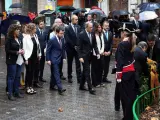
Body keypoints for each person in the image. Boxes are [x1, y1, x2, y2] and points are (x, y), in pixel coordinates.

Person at [115, 23, 137, 120]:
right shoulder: (132, 42)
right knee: (130, 95)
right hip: (131, 72)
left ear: (124, 33)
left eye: (121, 32)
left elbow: (120, 61)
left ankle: (127, 117)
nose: (120, 34)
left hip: (123, 74)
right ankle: (130, 116)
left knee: (125, 98)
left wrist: (118, 76)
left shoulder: (122, 44)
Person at [79, 22, 100, 95]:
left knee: (85, 70)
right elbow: (79, 47)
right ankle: (90, 88)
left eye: (92, 27)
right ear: (86, 27)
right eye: (90, 27)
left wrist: (97, 53)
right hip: (84, 56)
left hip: (90, 55)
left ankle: (81, 86)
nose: (92, 29)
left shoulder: (92, 33)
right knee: (87, 71)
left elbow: (94, 44)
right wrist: (80, 57)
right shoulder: (82, 34)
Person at [5, 24, 24, 100]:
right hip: (11, 60)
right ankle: (10, 93)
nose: (19, 31)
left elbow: (20, 47)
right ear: (13, 31)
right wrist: (17, 52)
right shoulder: (9, 39)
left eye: (19, 29)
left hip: (19, 60)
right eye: (17, 29)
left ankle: (16, 92)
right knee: (11, 77)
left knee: (17, 76)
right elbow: (7, 50)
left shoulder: (19, 38)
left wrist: (22, 50)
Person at [46, 26, 66, 95]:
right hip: (53, 59)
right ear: (57, 33)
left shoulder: (62, 39)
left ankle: (52, 86)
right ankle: (60, 88)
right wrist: (48, 59)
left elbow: (63, 49)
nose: (62, 35)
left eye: (63, 33)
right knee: (57, 74)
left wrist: (64, 57)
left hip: (60, 59)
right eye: (61, 33)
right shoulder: (52, 39)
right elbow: (48, 50)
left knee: (54, 74)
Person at [23, 23, 41, 95]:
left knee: (33, 72)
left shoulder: (35, 36)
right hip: (28, 57)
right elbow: (24, 48)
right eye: (35, 29)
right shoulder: (26, 37)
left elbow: (38, 46)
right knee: (28, 72)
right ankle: (27, 87)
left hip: (34, 57)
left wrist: (39, 54)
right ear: (31, 29)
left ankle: (31, 86)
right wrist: (25, 59)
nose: (36, 30)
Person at [65, 15, 82, 83]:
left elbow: (80, 37)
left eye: (77, 19)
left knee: (78, 63)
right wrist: (73, 46)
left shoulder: (79, 27)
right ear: (72, 20)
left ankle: (79, 78)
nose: (77, 20)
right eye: (76, 19)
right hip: (70, 48)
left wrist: (78, 45)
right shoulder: (67, 28)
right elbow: (67, 39)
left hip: (78, 48)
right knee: (70, 63)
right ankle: (69, 76)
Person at [91, 23, 105, 87]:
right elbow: (94, 45)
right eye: (98, 27)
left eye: (100, 27)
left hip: (101, 53)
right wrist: (98, 52)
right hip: (95, 54)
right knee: (95, 68)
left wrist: (102, 51)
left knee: (101, 68)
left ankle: (100, 81)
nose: (100, 28)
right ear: (96, 28)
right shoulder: (93, 34)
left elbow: (103, 43)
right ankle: (95, 82)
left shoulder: (101, 34)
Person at [36, 20, 47, 85]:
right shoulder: (36, 32)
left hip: (43, 50)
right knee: (38, 65)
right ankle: (36, 77)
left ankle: (41, 76)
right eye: (40, 24)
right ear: (38, 25)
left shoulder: (45, 31)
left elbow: (45, 40)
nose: (42, 25)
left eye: (43, 24)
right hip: (38, 50)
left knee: (42, 64)